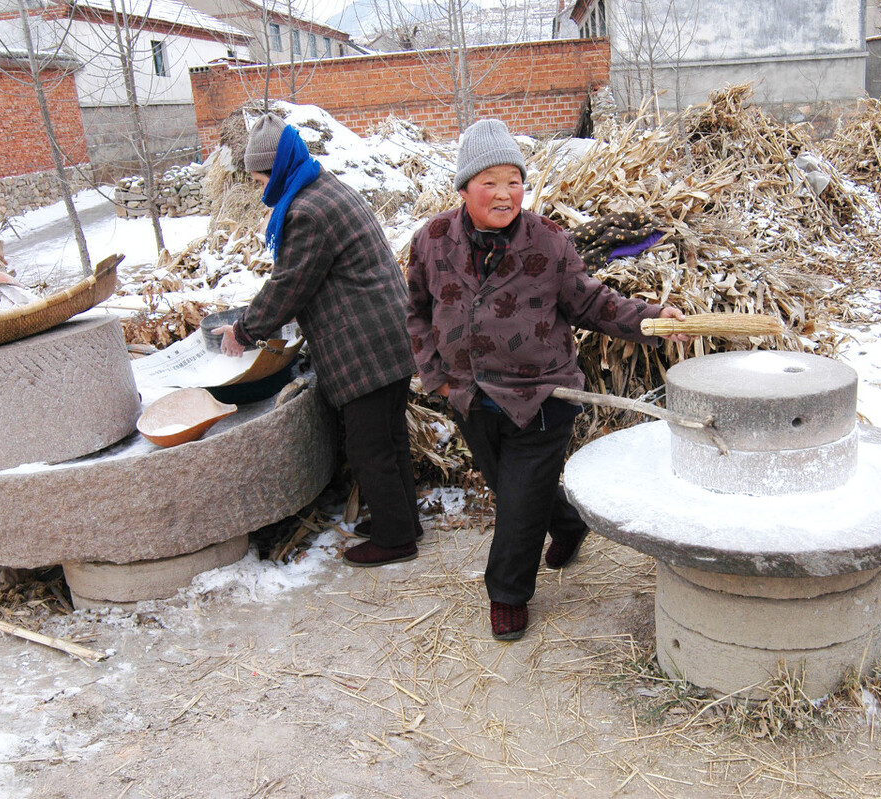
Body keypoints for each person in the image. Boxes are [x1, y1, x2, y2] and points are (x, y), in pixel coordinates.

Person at [406, 118, 688, 640]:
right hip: (470, 396)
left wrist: (649, 321)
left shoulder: (548, 242)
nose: (505, 193)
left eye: (514, 180)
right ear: (465, 187)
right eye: (489, 181)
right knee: (515, 491)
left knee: (516, 505)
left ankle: (508, 593)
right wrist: (436, 376)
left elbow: (591, 302)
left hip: (541, 397)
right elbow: (416, 311)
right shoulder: (432, 240)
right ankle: (568, 521)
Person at [215, 112, 422, 567]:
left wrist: (243, 331)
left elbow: (289, 285)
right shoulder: (326, 187)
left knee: (368, 446)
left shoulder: (307, 211)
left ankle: (396, 539)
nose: (258, 188)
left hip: (365, 343)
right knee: (388, 439)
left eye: (259, 178)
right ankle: (403, 521)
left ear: (280, 168)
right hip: (389, 334)